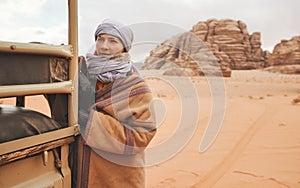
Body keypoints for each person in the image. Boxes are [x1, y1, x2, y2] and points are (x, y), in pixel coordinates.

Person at [78, 19, 157, 188]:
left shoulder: (136, 87)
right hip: (78, 172)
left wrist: (89, 121)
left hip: (116, 177)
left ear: (124, 47)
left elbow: (141, 135)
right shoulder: (79, 71)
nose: (104, 46)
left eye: (113, 41)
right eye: (100, 39)